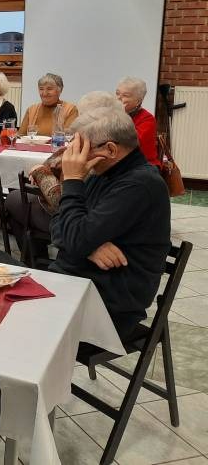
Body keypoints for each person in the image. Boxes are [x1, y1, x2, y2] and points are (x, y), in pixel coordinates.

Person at [50, 107, 170, 339]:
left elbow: (74, 237)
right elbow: (57, 222)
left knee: (7, 318)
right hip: (75, 280)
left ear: (111, 149)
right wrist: (89, 247)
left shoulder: (140, 185)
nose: (73, 156)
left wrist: (72, 180)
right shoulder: (103, 172)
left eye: (81, 148)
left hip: (109, 304)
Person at [6, 92, 122, 262]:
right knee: (20, 197)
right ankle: (37, 259)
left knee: (14, 200)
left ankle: (36, 262)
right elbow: (58, 161)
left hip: (75, 217)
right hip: (90, 215)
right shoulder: (118, 141)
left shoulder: (94, 148)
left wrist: (41, 173)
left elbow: (62, 198)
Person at [116, 76, 161, 168]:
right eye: (117, 93)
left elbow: (130, 143)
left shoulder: (147, 119)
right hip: (120, 163)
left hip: (143, 166)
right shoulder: (114, 114)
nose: (118, 98)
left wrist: (120, 115)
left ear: (138, 101)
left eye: (125, 95)